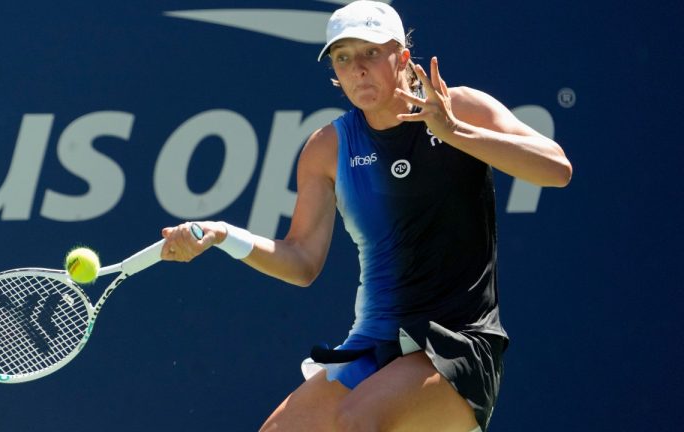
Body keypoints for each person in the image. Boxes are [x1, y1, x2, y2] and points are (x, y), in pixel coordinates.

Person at [160, 1, 572, 430]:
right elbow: (301, 261)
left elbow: (556, 169)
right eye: (343, 58)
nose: (357, 68)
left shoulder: (462, 107)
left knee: (358, 422)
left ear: (402, 56)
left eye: (371, 52)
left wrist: (455, 132)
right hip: (375, 344)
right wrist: (224, 235)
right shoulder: (327, 148)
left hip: (460, 343)